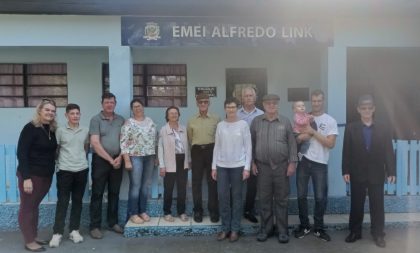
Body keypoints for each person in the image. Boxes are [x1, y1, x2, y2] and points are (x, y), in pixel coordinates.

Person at [342, 94, 396, 248]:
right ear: (358, 110)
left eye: (369, 108)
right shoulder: (351, 128)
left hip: (376, 172)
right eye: (363, 108)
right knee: (356, 204)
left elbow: (388, 151)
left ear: (374, 109)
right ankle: (354, 232)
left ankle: (378, 234)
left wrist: (391, 171)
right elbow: (347, 151)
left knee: (377, 205)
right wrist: (345, 170)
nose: (366, 110)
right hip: (357, 171)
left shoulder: (383, 127)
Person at [251, 94, 298, 244]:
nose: (271, 106)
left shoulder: (285, 121)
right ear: (263, 105)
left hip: (281, 167)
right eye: (268, 103)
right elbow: (250, 144)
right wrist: (252, 162)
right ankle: (266, 229)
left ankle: (282, 230)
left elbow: (292, 144)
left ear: (278, 105)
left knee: (282, 199)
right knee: (264, 199)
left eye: (274, 103)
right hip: (262, 167)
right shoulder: (257, 122)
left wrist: (292, 163)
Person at [294, 89, 338, 242]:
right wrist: (302, 136)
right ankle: (304, 225)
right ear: (310, 101)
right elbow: (297, 139)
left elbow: (330, 144)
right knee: (301, 196)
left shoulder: (330, 120)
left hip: (320, 163)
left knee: (320, 198)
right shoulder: (303, 117)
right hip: (304, 161)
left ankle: (319, 228)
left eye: (319, 100)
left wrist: (313, 132)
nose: (316, 103)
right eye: (314, 101)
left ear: (323, 101)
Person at [16, 98, 58, 252]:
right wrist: (26, 178)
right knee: (27, 207)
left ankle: (33, 236)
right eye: (47, 110)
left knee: (34, 206)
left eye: (53, 111)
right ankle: (29, 241)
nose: (50, 113)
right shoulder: (30, 128)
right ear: (40, 110)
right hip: (31, 175)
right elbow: (22, 153)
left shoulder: (51, 130)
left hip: (45, 175)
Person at [211, 98, 251, 242]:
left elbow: (248, 147)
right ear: (225, 109)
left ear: (237, 108)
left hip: (238, 166)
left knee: (237, 198)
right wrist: (214, 166)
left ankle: (235, 229)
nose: (231, 110)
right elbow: (217, 146)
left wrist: (247, 167)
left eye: (233, 107)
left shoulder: (243, 125)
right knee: (223, 198)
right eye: (228, 107)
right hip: (222, 167)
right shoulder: (220, 125)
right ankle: (225, 228)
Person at [49, 104, 89, 247]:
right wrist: (58, 165)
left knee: (77, 201)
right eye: (72, 113)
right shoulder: (60, 130)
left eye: (77, 113)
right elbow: (56, 149)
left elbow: (86, 147)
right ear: (66, 115)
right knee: (63, 202)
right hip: (65, 170)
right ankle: (57, 233)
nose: (75, 116)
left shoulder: (85, 130)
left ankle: (74, 230)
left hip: (82, 170)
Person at [89, 92, 125, 239]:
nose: (109, 104)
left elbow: (125, 141)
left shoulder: (121, 120)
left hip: (118, 160)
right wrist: (111, 160)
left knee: (114, 192)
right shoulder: (95, 119)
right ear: (102, 104)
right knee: (97, 193)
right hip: (101, 161)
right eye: (107, 102)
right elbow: (95, 143)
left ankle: (113, 222)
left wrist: (121, 157)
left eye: (112, 102)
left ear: (115, 104)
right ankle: (95, 226)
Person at [120, 99, 157, 224]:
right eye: (135, 106)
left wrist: (156, 156)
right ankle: (133, 213)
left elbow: (155, 139)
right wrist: (127, 160)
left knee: (145, 185)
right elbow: (123, 142)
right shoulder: (128, 123)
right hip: (135, 157)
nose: (137, 108)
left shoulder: (150, 121)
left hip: (150, 157)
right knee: (135, 185)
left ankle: (142, 211)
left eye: (139, 106)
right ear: (132, 109)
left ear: (143, 107)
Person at [187, 93, 220, 223]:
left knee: (213, 182)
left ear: (209, 103)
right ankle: (198, 211)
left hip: (212, 151)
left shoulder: (216, 119)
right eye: (200, 102)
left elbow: (219, 138)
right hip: (196, 152)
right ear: (197, 104)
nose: (203, 104)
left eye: (205, 102)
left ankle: (213, 211)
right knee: (196, 183)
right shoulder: (191, 120)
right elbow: (190, 139)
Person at [158, 106, 190, 222]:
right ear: (167, 116)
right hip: (170, 161)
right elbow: (160, 148)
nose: (173, 115)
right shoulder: (163, 130)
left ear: (179, 115)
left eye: (175, 113)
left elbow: (188, 147)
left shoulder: (184, 129)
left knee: (182, 188)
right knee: (169, 188)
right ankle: (167, 212)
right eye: (171, 113)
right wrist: (162, 165)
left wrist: (189, 160)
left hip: (183, 161)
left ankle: (181, 212)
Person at [237, 87, 264, 223]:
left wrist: (253, 159)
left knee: (252, 185)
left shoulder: (261, 114)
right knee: (236, 184)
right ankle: (234, 211)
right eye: (245, 96)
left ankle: (249, 210)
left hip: (255, 155)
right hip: (237, 155)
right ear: (242, 98)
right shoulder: (235, 114)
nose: (248, 98)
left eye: (250, 95)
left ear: (255, 97)